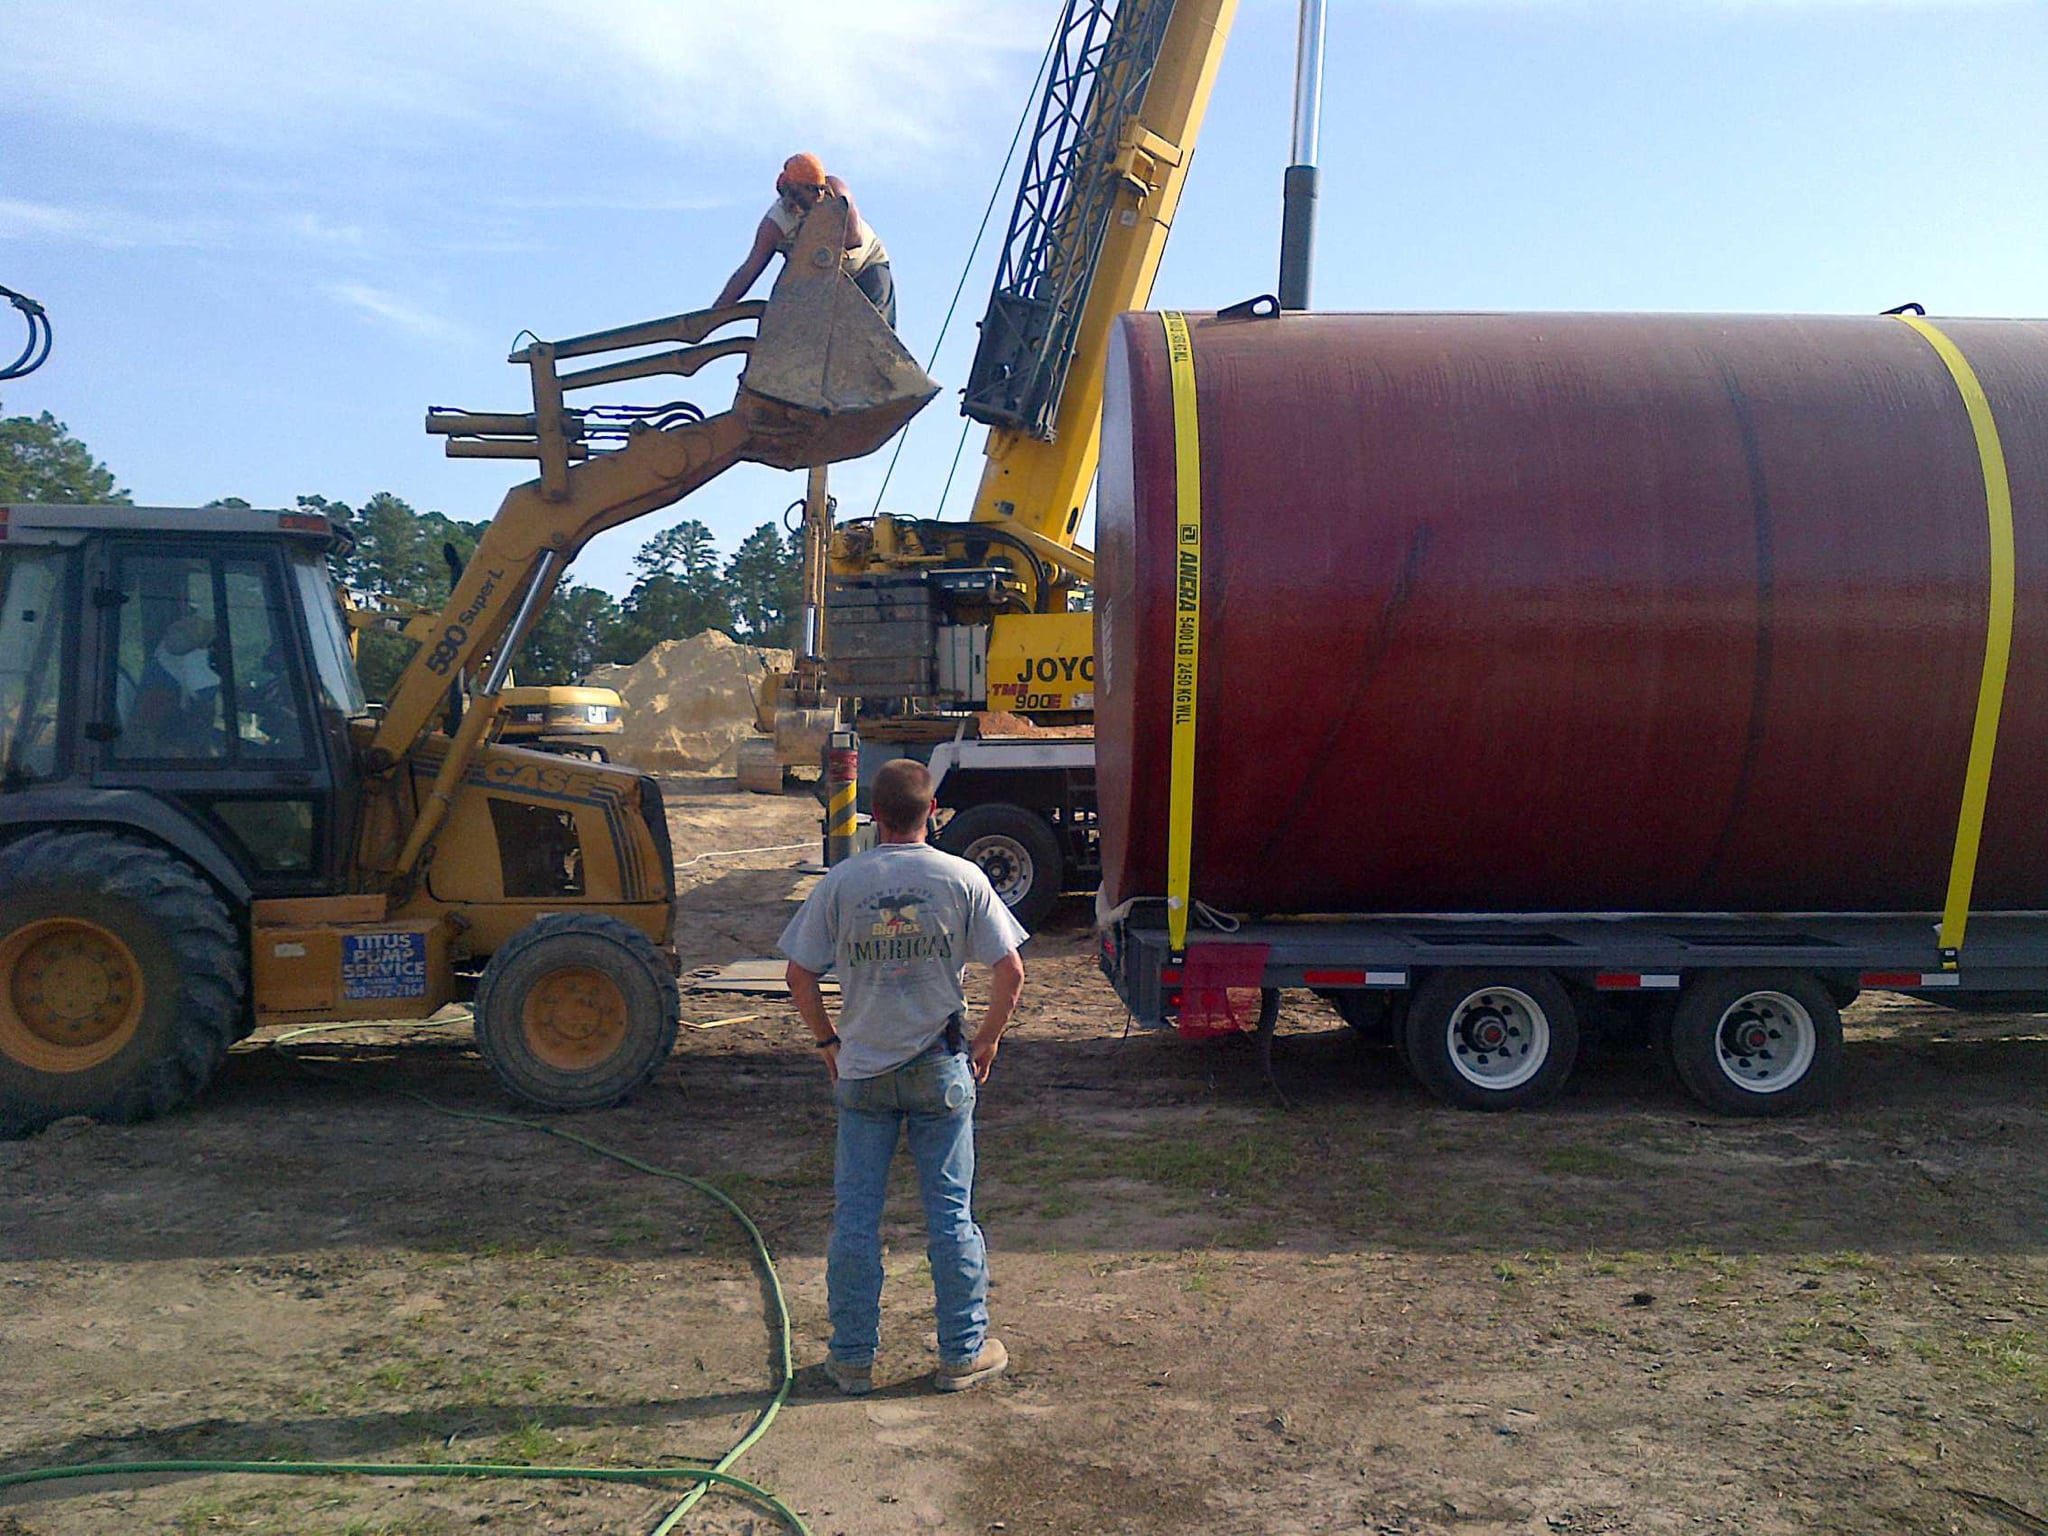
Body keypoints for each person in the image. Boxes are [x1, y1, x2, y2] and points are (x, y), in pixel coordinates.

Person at [780, 758, 1026, 1395]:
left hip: (861, 1073)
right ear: (934, 812)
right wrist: (988, 1039)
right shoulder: (963, 877)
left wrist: (826, 1040)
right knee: (951, 1216)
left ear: (873, 815)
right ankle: (960, 1352)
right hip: (940, 1070)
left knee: (856, 1220)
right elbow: (1012, 970)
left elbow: (799, 975)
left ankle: (853, 1360)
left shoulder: (842, 882)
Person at [715, 152, 896, 327]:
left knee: (876, 333)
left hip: (865, 265)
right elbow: (749, 271)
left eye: (820, 188)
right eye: (811, 190)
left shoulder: (836, 192)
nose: (818, 195)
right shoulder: (776, 225)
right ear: (793, 189)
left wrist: (819, 225)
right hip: (820, 281)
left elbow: (853, 239)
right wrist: (712, 317)